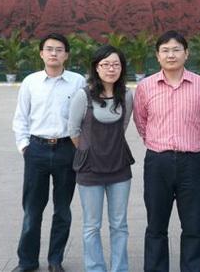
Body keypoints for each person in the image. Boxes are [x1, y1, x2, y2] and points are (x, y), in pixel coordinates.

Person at [133, 31, 200, 272]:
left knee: (193, 225)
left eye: (176, 49)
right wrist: (158, 142)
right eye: (165, 50)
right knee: (156, 225)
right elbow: (141, 122)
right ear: (157, 55)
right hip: (158, 162)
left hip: (192, 162)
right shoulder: (145, 87)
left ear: (186, 53)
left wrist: (192, 142)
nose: (171, 55)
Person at [11, 33, 86, 272]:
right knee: (32, 211)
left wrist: (79, 147)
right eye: (49, 49)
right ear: (41, 53)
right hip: (37, 150)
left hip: (66, 150)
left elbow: (85, 117)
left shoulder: (77, 82)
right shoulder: (31, 82)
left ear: (66, 55)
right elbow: (21, 117)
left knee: (62, 210)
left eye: (59, 49)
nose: (54, 53)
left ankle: (55, 260)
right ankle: (27, 262)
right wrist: (25, 146)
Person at [68, 45, 135, 272]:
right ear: (96, 68)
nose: (111, 69)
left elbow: (124, 124)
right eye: (105, 64)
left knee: (119, 225)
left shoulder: (127, 95)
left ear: (122, 68)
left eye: (116, 64)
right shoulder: (83, 95)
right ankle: (95, 268)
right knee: (91, 225)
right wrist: (89, 150)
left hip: (119, 167)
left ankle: (119, 268)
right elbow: (73, 130)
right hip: (89, 169)